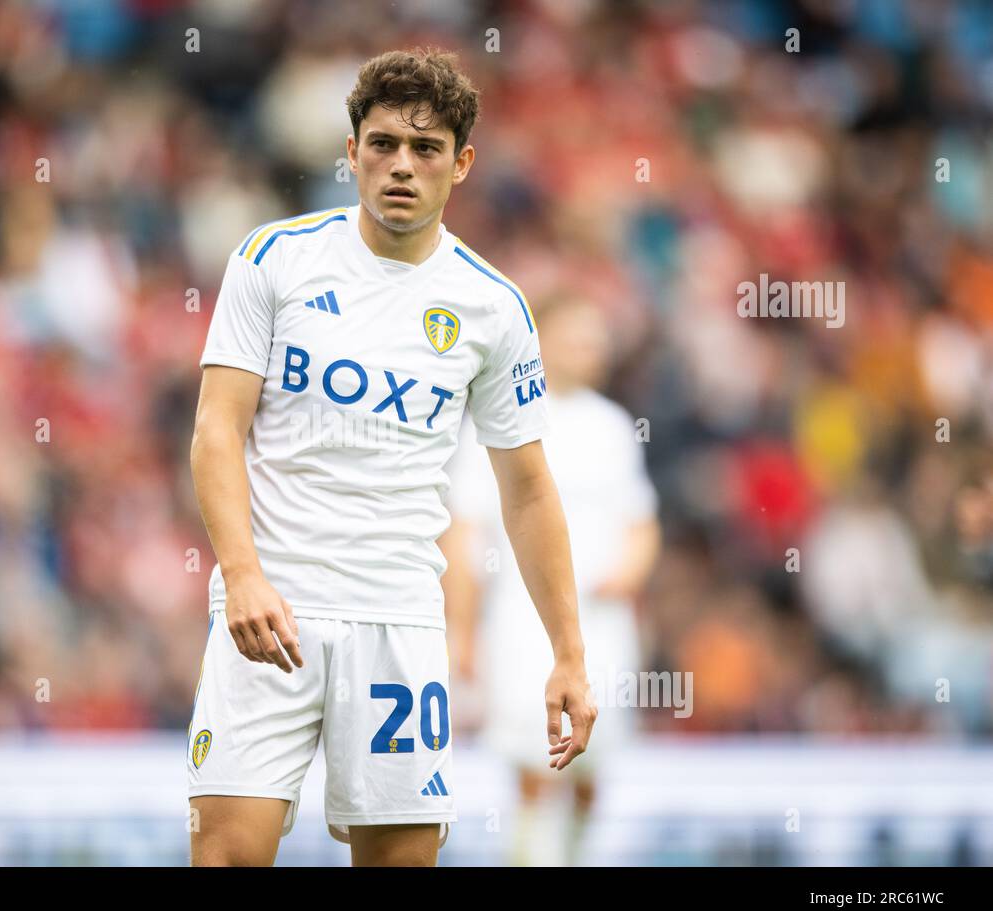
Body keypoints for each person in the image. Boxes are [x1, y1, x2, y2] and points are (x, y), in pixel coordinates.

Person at [187, 47, 596, 867]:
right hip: (273, 608)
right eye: (381, 144)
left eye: (426, 148)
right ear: (351, 154)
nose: (400, 166)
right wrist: (242, 573)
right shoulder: (274, 259)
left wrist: (570, 655)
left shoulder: (493, 308)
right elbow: (215, 430)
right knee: (226, 855)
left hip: (401, 623)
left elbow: (528, 492)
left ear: (462, 163)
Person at [443, 295, 661, 866]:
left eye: (594, 340)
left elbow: (642, 523)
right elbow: (463, 532)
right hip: (521, 624)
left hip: (603, 628)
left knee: (595, 767)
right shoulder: (497, 417)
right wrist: (461, 631)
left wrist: (627, 574)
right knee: (536, 764)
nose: (587, 350)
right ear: (540, 342)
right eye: (574, 337)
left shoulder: (614, 426)